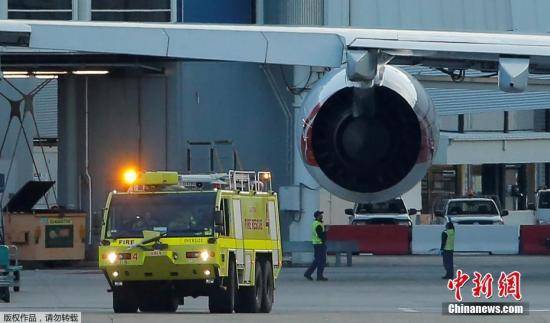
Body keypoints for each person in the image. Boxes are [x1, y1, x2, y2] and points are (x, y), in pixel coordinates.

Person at [304, 210, 328, 281]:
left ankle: (308, 273)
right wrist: (326, 231)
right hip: (319, 244)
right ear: (318, 216)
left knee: (317, 260)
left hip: (316, 244)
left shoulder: (315, 223)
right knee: (321, 261)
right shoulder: (318, 225)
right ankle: (319, 276)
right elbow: (320, 235)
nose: (322, 216)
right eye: (320, 215)